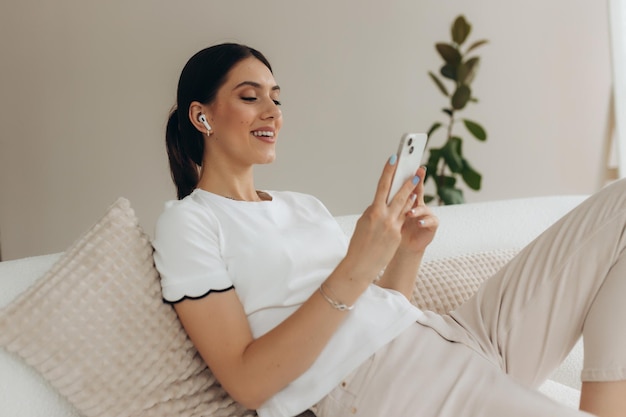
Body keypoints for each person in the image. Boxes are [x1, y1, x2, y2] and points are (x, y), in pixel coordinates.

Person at [152, 43, 626, 417]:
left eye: (277, 98)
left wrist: (405, 252)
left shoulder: (303, 206)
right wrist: (358, 264)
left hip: (457, 336)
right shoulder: (189, 222)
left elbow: (374, 309)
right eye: (251, 97)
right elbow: (247, 382)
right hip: (390, 387)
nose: (273, 112)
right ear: (202, 116)